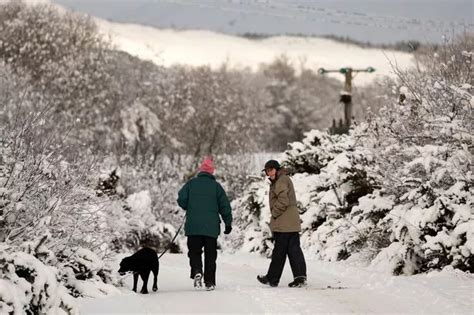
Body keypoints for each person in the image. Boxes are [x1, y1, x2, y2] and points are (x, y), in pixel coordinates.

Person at [177, 156, 232, 291]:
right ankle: (210, 282)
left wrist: (189, 206)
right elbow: (225, 206)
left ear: (200, 171)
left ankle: (197, 270)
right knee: (210, 255)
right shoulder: (217, 187)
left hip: (193, 227)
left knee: (194, 252)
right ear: (212, 172)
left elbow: (181, 199)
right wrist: (228, 223)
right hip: (211, 228)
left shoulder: (191, 183)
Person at [257, 160, 307, 288]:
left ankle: (272, 278)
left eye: (271, 170)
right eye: (267, 171)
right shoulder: (282, 179)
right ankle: (300, 277)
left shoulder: (281, 181)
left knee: (279, 252)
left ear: (277, 169)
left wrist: (274, 213)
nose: (269, 173)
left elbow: (283, 200)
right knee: (293, 250)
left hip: (284, 223)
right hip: (290, 223)